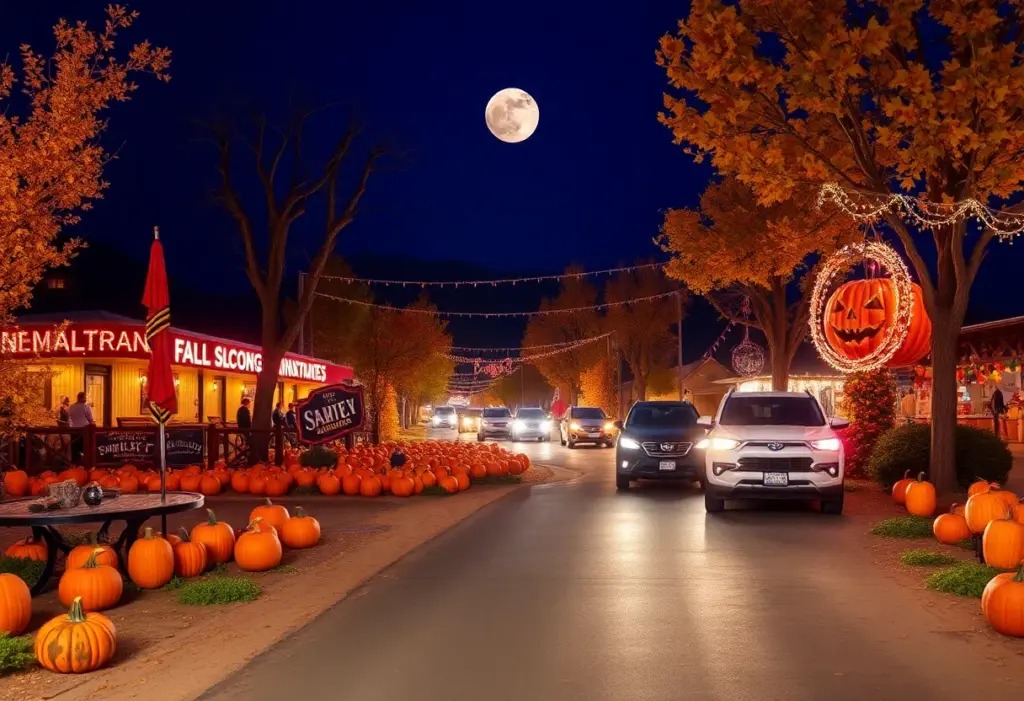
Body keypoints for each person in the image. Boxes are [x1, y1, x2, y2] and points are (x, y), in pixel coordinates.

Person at [67, 392, 95, 463]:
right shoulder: (86, 407)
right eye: (85, 397)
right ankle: (87, 462)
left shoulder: (71, 407)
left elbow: (68, 417)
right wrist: (93, 425)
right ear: (82, 398)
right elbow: (90, 418)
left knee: (75, 448)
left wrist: (71, 425)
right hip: (84, 430)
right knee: (86, 448)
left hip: (74, 430)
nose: (86, 399)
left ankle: (74, 463)